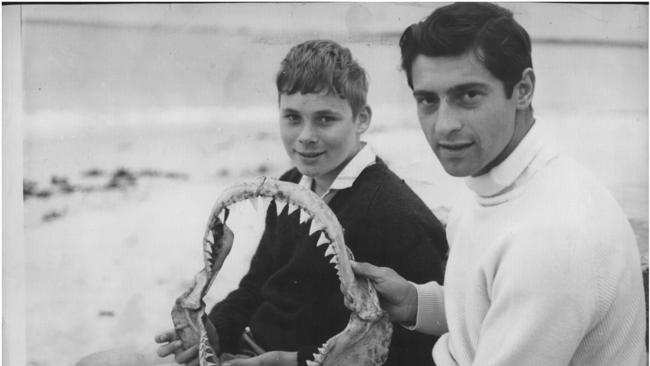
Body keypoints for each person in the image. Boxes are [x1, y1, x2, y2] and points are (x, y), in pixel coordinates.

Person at [352, 3, 647, 366]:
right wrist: (417, 302)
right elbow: (492, 309)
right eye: (428, 100)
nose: (444, 125)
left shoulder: (551, 236)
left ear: (522, 89)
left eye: (468, 96)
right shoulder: (497, 182)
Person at [156, 39, 448, 366]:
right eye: (293, 118)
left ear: (362, 118)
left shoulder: (396, 213)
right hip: (250, 345)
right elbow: (256, 285)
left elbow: (422, 349)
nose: (306, 136)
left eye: (325, 119)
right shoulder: (291, 184)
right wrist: (214, 334)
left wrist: (289, 361)